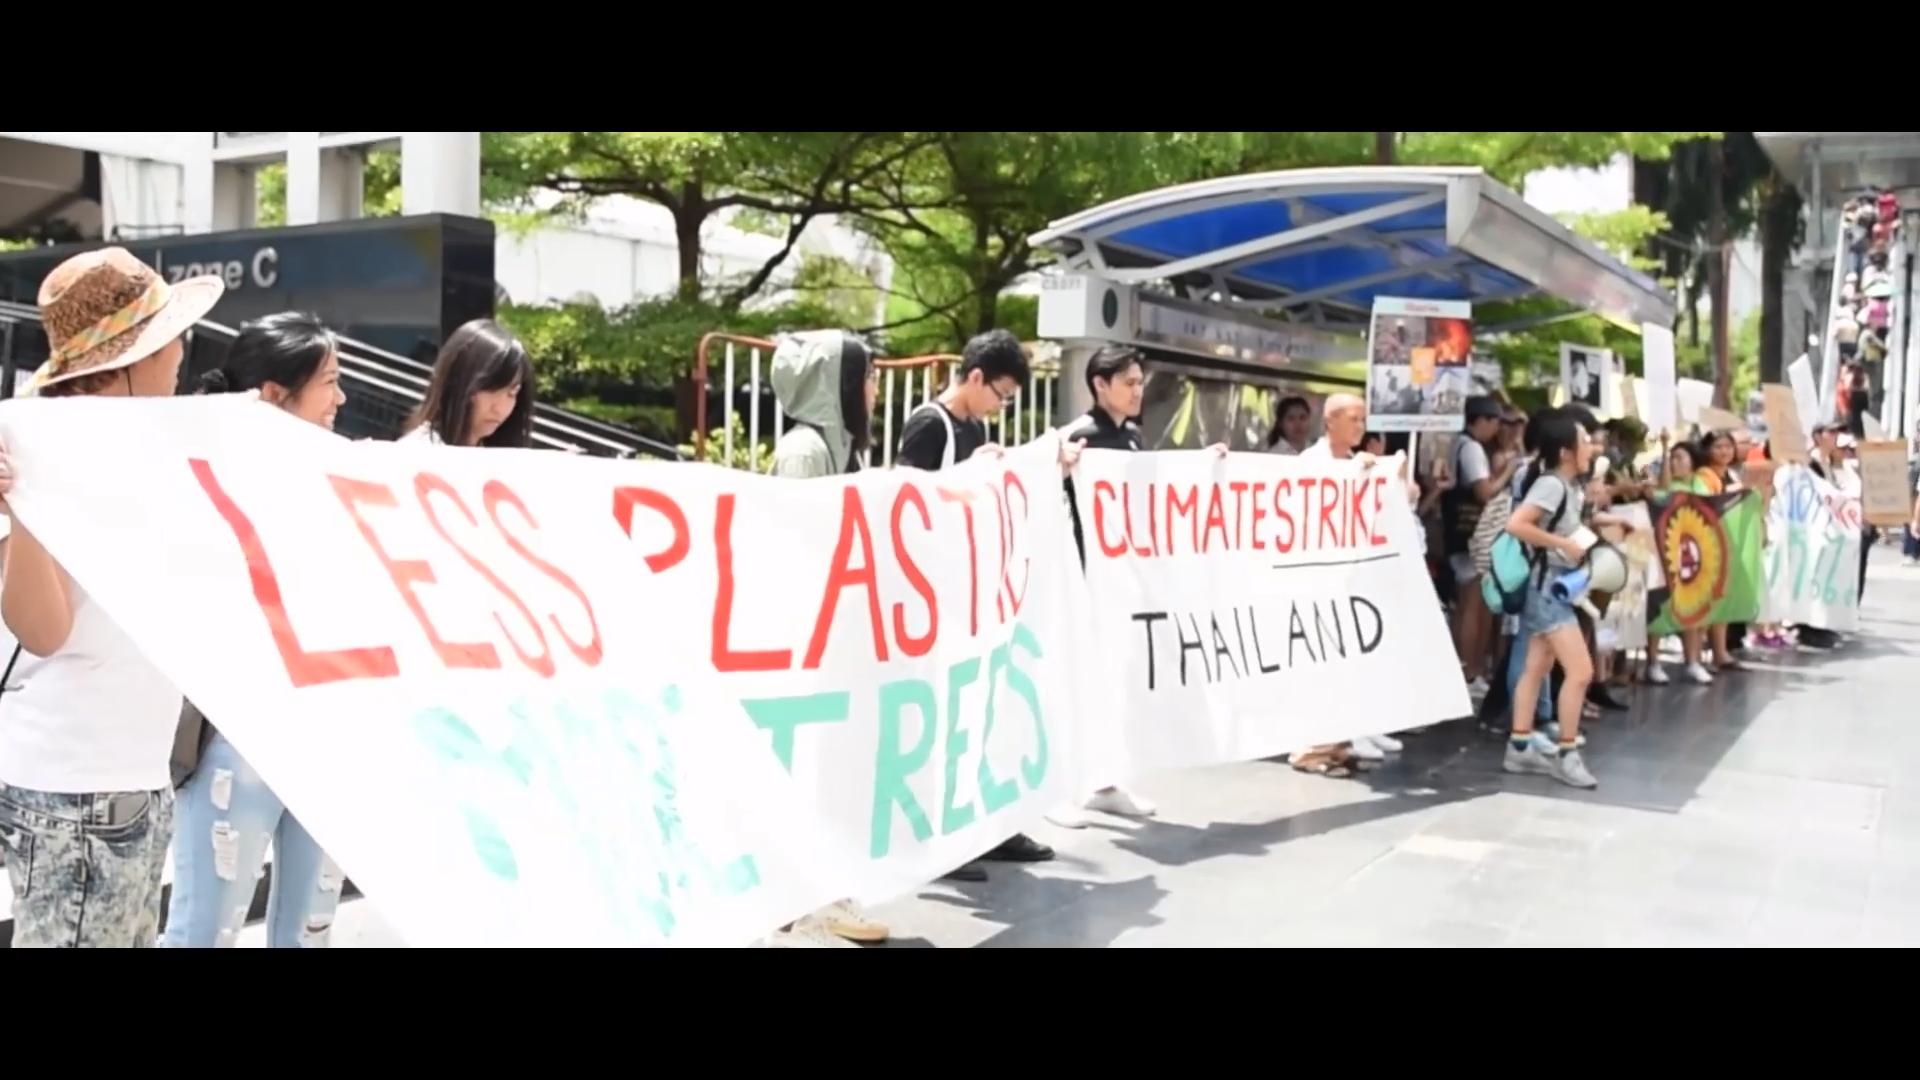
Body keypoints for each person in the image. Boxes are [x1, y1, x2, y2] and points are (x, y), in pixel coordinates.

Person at [0, 247, 224, 946]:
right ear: (131, 356)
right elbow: (40, 627)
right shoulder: (32, 453)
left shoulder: (130, 448)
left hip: (121, 781)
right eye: (167, 336)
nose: (181, 351)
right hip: (78, 792)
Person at [163, 312, 350, 947]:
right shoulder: (199, 483)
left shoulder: (341, 479)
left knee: (308, 929)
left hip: (329, 732)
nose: (342, 398)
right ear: (274, 395)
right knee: (203, 933)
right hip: (235, 740)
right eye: (329, 381)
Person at [894, 329, 1052, 874]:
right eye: (1001, 394)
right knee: (943, 717)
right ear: (976, 377)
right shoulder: (928, 425)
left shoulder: (974, 426)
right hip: (937, 598)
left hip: (972, 594)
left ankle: (982, 824)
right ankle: (942, 837)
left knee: (978, 710)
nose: (1000, 406)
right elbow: (905, 506)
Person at [761, 329, 893, 947]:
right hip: (805, 644)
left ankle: (810, 891)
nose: (874, 387)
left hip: (833, 638)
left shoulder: (842, 450)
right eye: (866, 375)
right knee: (809, 770)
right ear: (836, 382)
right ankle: (807, 894)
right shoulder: (804, 452)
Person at [1501, 411, 1632, 789]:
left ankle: (1520, 746)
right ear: (1565, 451)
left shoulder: (1567, 486)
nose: (1591, 445)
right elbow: (1517, 525)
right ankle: (1567, 753)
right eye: (1583, 439)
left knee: (1536, 668)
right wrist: (1563, 544)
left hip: (1551, 586)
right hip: (1549, 591)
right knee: (1581, 672)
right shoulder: (1553, 486)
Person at [1055, 345, 1159, 821]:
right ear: (1100, 384)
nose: (1138, 392)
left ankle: (1105, 781)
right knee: (1075, 682)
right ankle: (1059, 787)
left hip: (1123, 579)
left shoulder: (1134, 438)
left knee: (1115, 683)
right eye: (1130, 383)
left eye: (1141, 383)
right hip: (1082, 576)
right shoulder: (1076, 437)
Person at [1442, 396, 1517, 692]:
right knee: (1472, 602)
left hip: (1461, 534)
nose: (1497, 429)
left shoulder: (1458, 444)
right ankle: (1467, 671)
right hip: (1470, 533)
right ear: (1481, 420)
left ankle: (1468, 669)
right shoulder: (1471, 448)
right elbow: (1484, 491)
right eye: (1495, 422)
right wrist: (1507, 473)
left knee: (1471, 602)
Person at [401, 319, 535, 448]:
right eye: (490, 390)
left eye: (512, 393)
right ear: (455, 383)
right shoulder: (419, 452)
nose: (500, 408)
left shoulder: (496, 459)